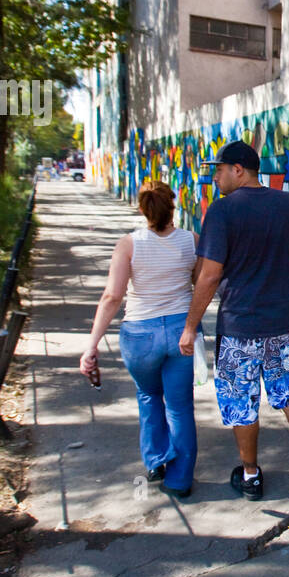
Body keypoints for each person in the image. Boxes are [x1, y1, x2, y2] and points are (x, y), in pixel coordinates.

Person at [178, 140, 289, 501]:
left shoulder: (222, 212)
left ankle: (252, 475)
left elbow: (209, 276)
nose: (215, 177)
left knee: (241, 399)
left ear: (238, 169)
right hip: (281, 323)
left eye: (220, 170)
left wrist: (191, 326)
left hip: (239, 325)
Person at [81, 179, 201, 498]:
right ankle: (180, 481)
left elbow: (112, 296)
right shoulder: (192, 241)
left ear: (142, 209)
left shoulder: (129, 244)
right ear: (173, 206)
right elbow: (201, 285)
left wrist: (91, 346)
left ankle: (156, 460)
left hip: (140, 335)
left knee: (148, 395)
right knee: (179, 407)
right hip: (181, 333)